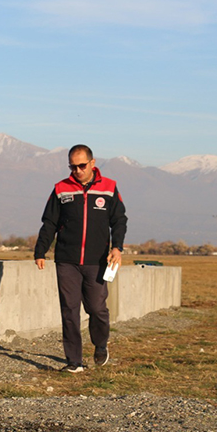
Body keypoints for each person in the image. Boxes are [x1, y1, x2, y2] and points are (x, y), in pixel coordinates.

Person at [34, 144, 128, 373]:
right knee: (69, 309)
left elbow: (119, 220)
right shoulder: (60, 189)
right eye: (72, 166)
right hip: (67, 260)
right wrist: (40, 251)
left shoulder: (109, 188)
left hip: (97, 261)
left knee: (96, 308)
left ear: (93, 163)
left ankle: (100, 344)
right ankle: (74, 361)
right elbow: (50, 223)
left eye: (81, 166)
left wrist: (117, 247)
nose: (77, 170)